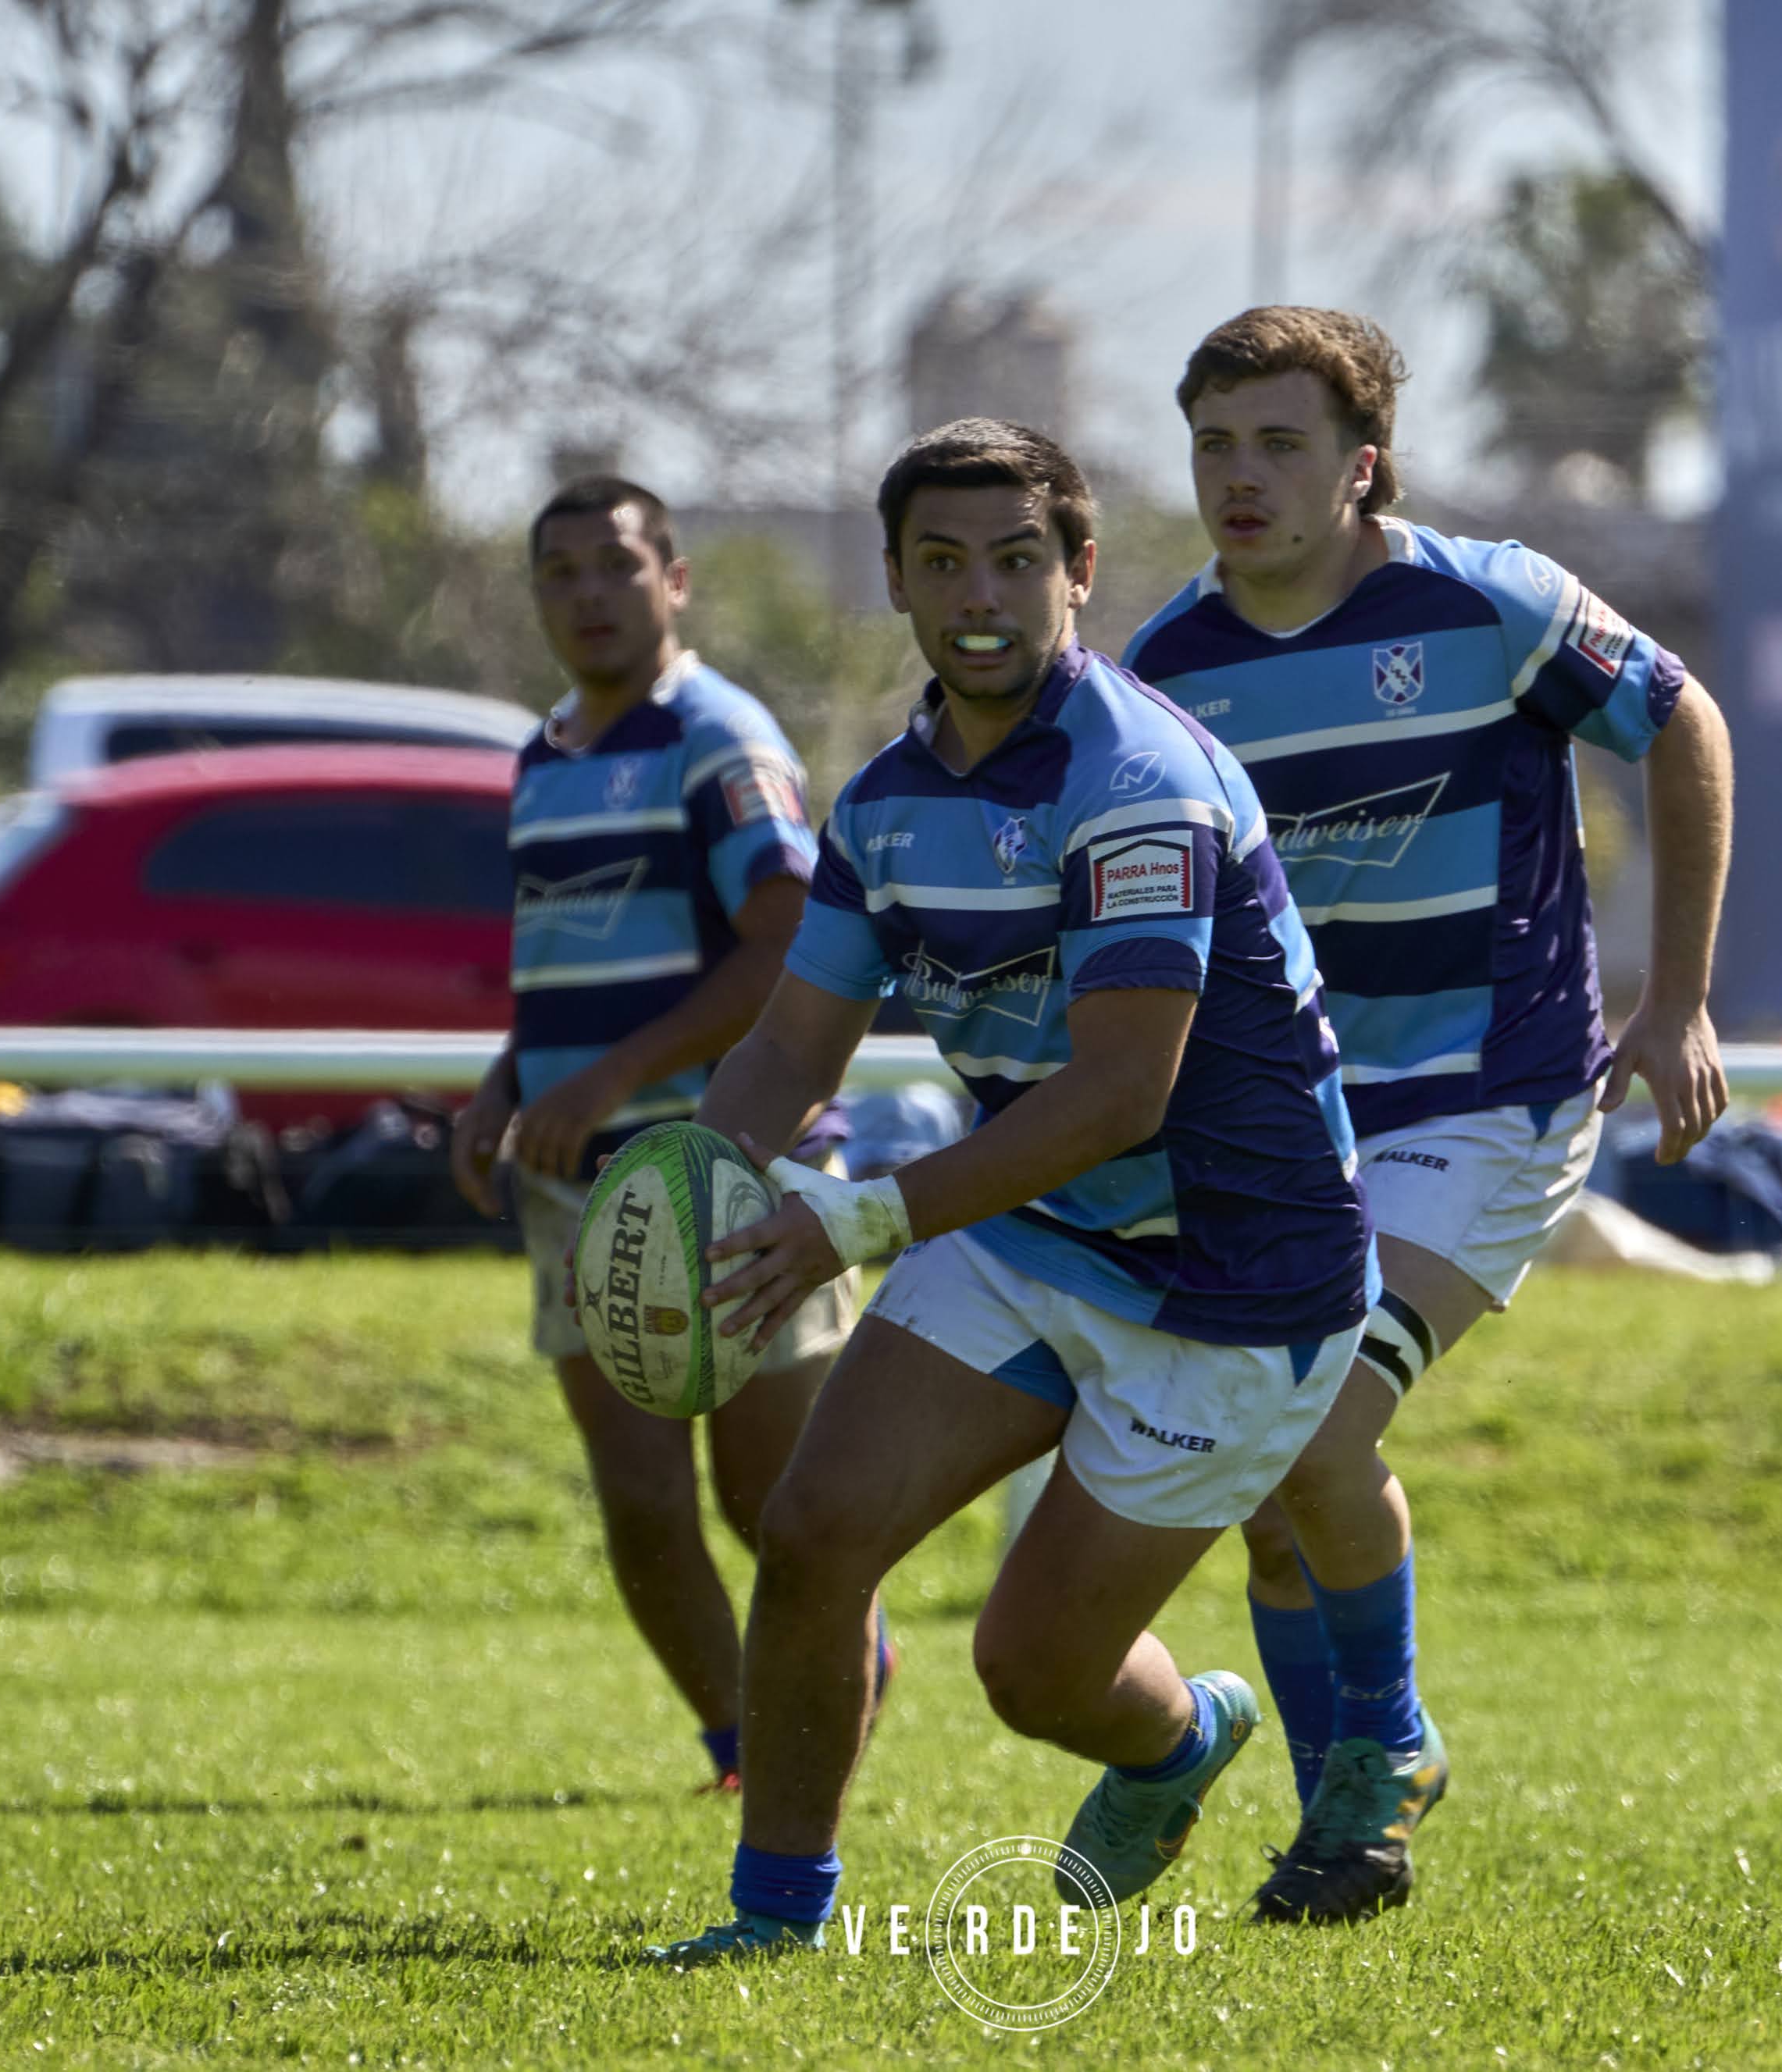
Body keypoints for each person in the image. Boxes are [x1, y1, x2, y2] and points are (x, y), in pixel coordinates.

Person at [637, 418, 1376, 1964]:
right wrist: (696, 1187)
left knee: (1032, 1675)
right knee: (817, 1522)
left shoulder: (1139, 776)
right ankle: (775, 1915)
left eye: (1019, 557)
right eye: (943, 560)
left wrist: (873, 1212)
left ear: (1080, 572)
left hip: (1236, 1283)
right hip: (1039, 1227)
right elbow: (788, 1042)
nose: (983, 593)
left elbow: (1124, 1089)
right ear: (897, 581)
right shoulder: (887, 804)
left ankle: (1179, 1740)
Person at [1124, 307, 1735, 1924]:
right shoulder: (1167, 672)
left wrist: (1673, 1001)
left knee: (1317, 1426)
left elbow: (1684, 720)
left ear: (1362, 461)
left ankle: (1384, 1746)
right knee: (1266, 1493)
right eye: (1214, 445)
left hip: (1495, 1098)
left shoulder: (1488, 601)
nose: (1240, 479)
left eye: (1279, 444)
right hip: (1293, 1123)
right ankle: (1349, 1837)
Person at [448, 475, 873, 1797]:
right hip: (579, 1182)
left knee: (775, 1512)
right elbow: (563, 967)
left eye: (615, 566)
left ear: (673, 580)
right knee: (641, 1511)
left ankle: (821, 1727)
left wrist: (619, 1076)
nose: (587, 594)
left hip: (734, 1172)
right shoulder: (542, 758)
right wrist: (509, 1084)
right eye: (558, 572)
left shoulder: (717, 737)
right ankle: (750, 1748)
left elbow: (788, 949)